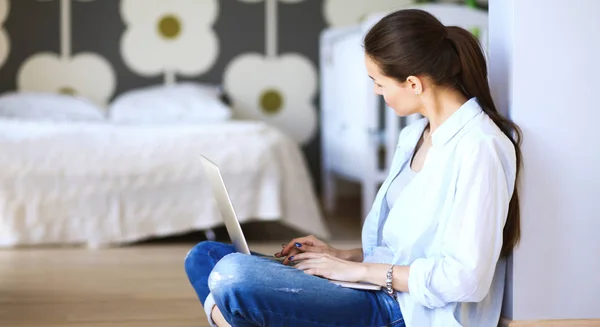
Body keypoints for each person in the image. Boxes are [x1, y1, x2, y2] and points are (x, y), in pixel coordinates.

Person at [184, 8, 522, 327]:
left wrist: (356, 272)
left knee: (232, 276)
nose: (376, 91)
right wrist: (342, 256)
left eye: (379, 81)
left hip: (408, 311)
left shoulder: (480, 148)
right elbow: (403, 247)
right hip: (373, 287)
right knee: (205, 256)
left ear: (414, 84)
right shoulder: (415, 135)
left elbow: (466, 280)